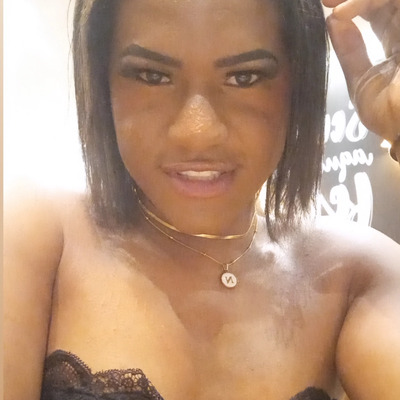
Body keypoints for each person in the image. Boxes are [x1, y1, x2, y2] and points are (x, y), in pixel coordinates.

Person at [4, 0, 400, 399]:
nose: (197, 133)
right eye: (152, 76)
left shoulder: (353, 274)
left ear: (299, 83)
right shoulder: (38, 236)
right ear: (102, 78)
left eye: (244, 77)